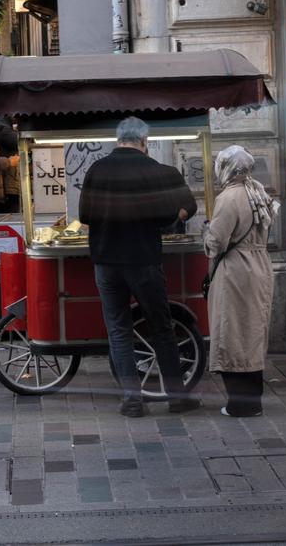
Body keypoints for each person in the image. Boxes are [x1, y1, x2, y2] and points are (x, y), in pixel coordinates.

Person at [79, 116, 199, 417]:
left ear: (117, 140)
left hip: (106, 261)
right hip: (144, 259)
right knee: (161, 327)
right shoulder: (160, 171)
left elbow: (85, 216)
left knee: (118, 330)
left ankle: (132, 400)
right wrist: (172, 217)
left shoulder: (97, 169)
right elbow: (183, 208)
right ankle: (176, 397)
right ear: (144, 142)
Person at [203, 146, 275, 417]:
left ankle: (239, 404)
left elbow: (217, 242)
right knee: (253, 332)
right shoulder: (258, 191)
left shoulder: (228, 198)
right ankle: (253, 400)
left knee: (232, 332)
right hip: (260, 265)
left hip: (236, 271)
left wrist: (206, 231)